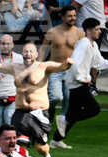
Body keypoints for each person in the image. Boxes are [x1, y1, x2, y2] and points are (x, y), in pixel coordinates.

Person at [0, 43, 68, 157]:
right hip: (20, 111)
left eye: (31, 51)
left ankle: (46, 156)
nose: (28, 54)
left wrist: (69, 62)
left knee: (40, 147)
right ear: (22, 53)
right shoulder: (16, 67)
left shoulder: (43, 67)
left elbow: (61, 67)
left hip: (39, 113)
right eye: (25, 51)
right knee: (18, 142)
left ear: (36, 54)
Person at [64, 19, 108, 137]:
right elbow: (75, 62)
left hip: (79, 82)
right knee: (94, 109)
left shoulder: (92, 45)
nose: (99, 31)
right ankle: (65, 120)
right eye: (97, 29)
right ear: (88, 31)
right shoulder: (84, 44)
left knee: (73, 111)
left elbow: (100, 64)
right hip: (78, 83)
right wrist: (81, 78)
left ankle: (56, 140)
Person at [41, 6, 83, 146]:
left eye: (74, 15)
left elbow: (85, 53)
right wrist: (38, 67)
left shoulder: (79, 33)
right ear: (63, 17)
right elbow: (43, 50)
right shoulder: (52, 31)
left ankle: (57, 139)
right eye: (70, 16)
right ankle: (48, 113)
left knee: (68, 102)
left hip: (71, 72)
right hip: (55, 70)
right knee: (56, 97)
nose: (73, 18)